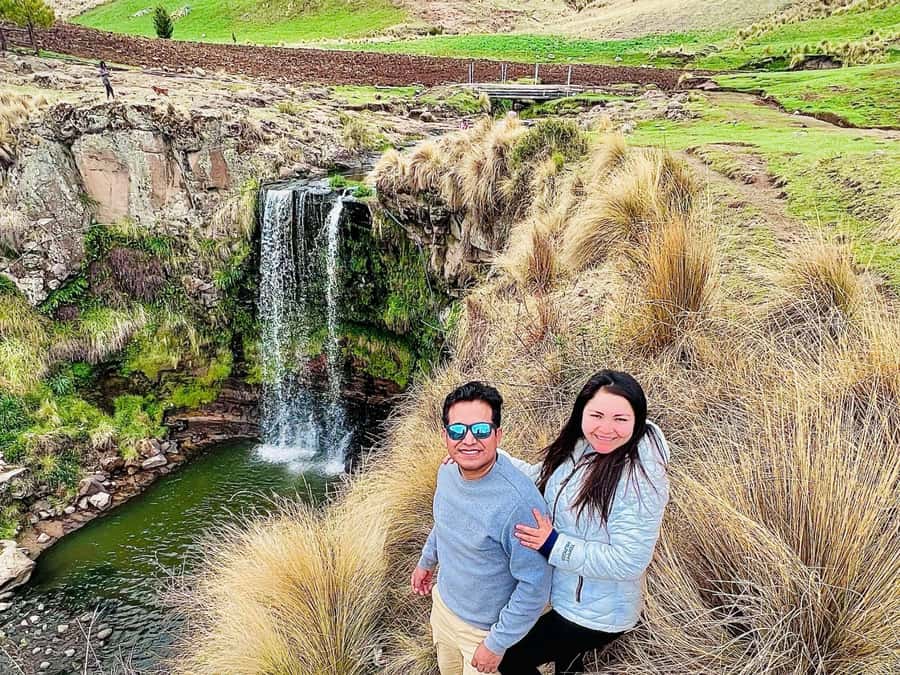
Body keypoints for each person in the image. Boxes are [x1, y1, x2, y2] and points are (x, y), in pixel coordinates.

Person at [492, 370, 670, 674]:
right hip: (572, 598)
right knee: (568, 665)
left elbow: (630, 560)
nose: (606, 428)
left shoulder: (639, 478)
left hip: (598, 614)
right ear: (581, 412)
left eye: (620, 419)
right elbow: (542, 479)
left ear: (637, 420)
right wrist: (489, 457)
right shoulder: (581, 446)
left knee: (509, 657)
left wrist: (553, 545)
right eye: (597, 415)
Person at [412, 381, 552, 675]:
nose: (468, 440)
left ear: (498, 435)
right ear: (445, 435)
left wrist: (497, 643)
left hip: (483, 632)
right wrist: (426, 562)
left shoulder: (519, 505)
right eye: (457, 431)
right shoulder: (448, 471)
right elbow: (444, 522)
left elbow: (536, 586)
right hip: (444, 607)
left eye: (480, 430)